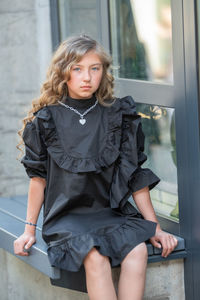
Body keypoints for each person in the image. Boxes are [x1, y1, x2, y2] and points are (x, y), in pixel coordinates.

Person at [14, 34, 178, 300]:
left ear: (104, 71)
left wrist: (155, 227)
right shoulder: (46, 120)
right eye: (77, 69)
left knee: (137, 252)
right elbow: (38, 179)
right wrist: (28, 230)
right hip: (68, 217)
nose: (87, 77)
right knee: (95, 256)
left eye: (95, 68)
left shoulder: (118, 115)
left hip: (109, 212)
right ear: (63, 72)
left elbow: (135, 176)